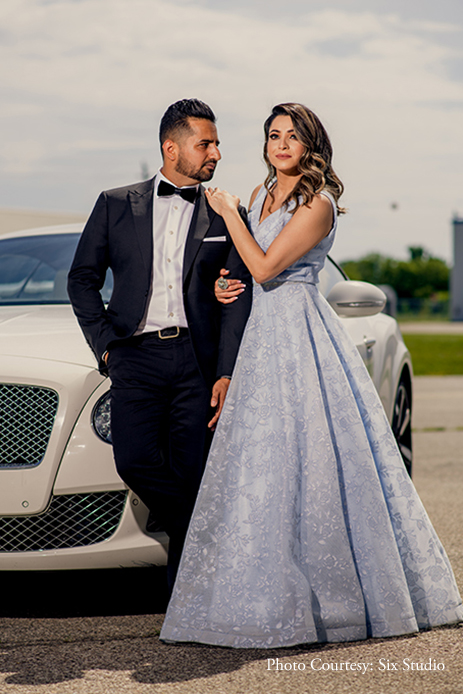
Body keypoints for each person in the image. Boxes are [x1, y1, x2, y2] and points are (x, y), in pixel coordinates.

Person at [160, 102, 463, 648]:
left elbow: (269, 266)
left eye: (292, 137)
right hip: (259, 340)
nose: (281, 145)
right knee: (260, 465)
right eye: (274, 135)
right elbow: (246, 269)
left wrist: (230, 217)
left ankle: (335, 603)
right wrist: (226, 284)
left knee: (314, 460)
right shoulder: (258, 195)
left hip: (301, 335)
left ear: (310, 145)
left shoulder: (318, 203)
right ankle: (254, 593)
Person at [67, 99, 252, 591]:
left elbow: (237, 297)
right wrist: (106, 346)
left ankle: (184, 605)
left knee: (191, 472)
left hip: (198, 359)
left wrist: (226, 370)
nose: (215, 152)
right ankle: (216, 539)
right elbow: (82, 279)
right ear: (172, 148)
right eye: (204, 143)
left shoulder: (227, 212)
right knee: (134, 461)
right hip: (135, 356)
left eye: (215, 143)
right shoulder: (114, 203)